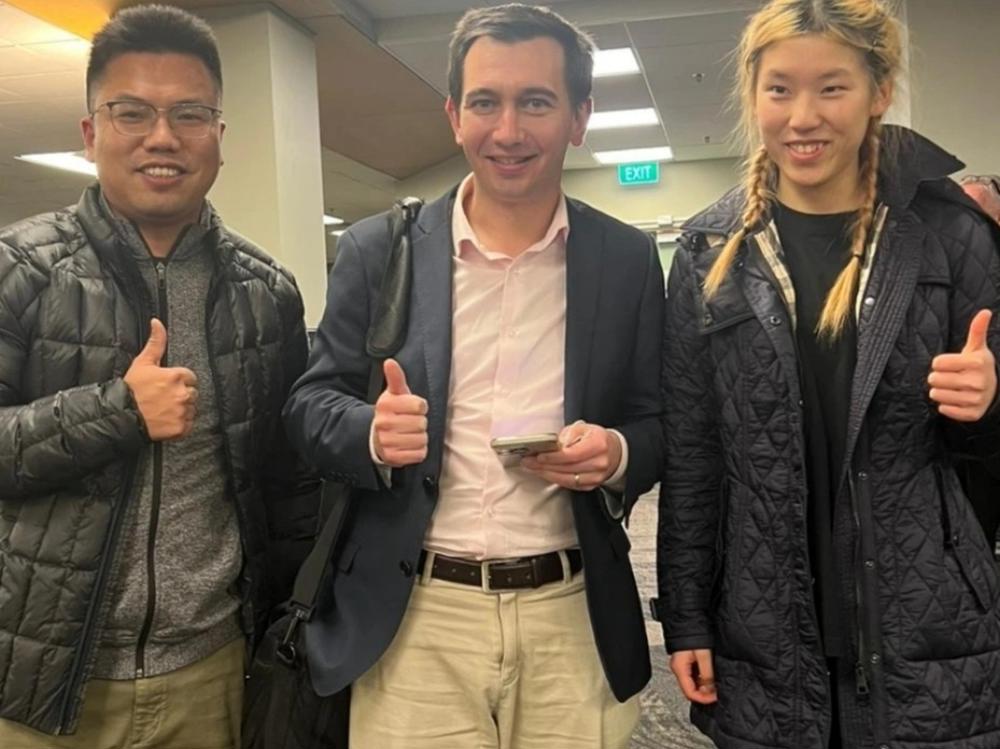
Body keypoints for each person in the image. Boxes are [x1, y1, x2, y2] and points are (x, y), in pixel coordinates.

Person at [283, 4, 664, 747]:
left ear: (579, 117)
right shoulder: (378, 250)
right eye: (486, 102)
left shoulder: (625, 259)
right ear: (455, 116)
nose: (508, 130)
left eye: (537, 102)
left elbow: (662, 422)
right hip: (415, 617)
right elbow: (308, 404)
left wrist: (617, 453)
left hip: (571, 611)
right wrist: (369, 433)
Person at [654, 1, 1000, 748]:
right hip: (764, 629)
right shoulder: (709, 254)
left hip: (928, 627)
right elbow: (693, 456)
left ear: (879, 92)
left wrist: (990, 403)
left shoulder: (949, 235)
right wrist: (686, 616)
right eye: (779, 89)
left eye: (832, 88)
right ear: (753, 95)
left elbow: (986, 459)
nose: (802, 116)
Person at [0, 5, 317, 747]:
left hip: (210, 673)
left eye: (189, 114)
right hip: (37, 682)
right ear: (91, 133)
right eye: (132, 112)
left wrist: (287, 633)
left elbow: (287, 487)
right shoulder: (20, 269)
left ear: (219, 135)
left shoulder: (268, 293)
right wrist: (117, 410)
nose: (163, 137)